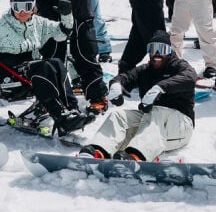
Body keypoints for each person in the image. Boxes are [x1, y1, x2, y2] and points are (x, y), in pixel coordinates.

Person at [0, 0, 92, 135]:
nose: (22, 12)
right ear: (11, 6)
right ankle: (60, 116)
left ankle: (72, 110)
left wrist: (66, 15)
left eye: (27, 7)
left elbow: (62, 34)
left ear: (33, 7)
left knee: (56, 63)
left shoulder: (38, 23)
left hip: (30, 73)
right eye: (17, 7)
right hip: (7, 77)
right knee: (44, 66)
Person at [79, 31, 197, 161]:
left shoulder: (179, 66)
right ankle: (99, 151)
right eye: (153, 49)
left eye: (162, 49)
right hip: (150, 124)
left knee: (156, 112)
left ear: (169, 52)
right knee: (118, 116)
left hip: (180, 126)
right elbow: (126, 77)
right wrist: (116, 84)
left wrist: (160, 88)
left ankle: (136, 157)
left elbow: (190, 77)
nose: (157, 54)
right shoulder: (145, 70)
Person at [36, 0, 111, 113]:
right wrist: (56, 17)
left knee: (86, 56)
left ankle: (97, 96)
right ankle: (55, 99)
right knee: (54, 59)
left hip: (82, 19)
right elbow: (42, 4)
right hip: (58, 23)